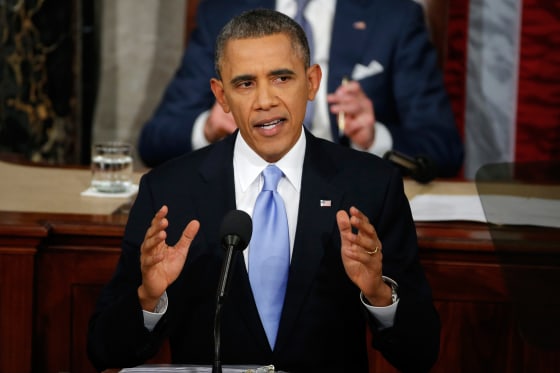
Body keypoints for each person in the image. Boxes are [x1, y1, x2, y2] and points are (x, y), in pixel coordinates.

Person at [88, 9, 440, 372]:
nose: (265, 100)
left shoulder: (371, 186)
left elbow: (421, 352)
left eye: (282, 78)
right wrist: (148, 297)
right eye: (245, 84)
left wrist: (379, 294)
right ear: (221, 96)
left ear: (312, 81)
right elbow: (105, 351)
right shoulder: (168, 191)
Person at [138, 0, 463, 178]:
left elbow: (443, 149)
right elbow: (156, 141)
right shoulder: (223, 12)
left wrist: (375, 138)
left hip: (350, 200)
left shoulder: (395, 16)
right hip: (241, 196)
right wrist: (209, 129)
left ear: (312, 80)